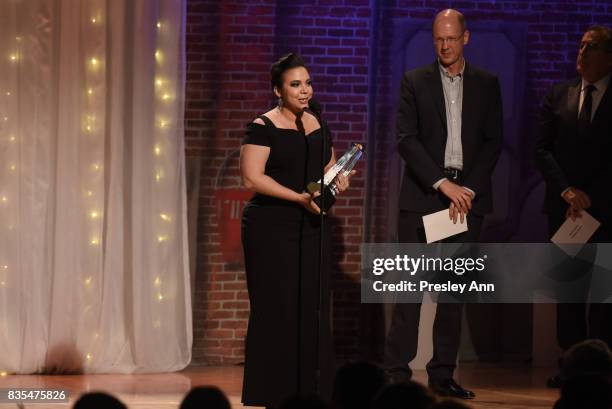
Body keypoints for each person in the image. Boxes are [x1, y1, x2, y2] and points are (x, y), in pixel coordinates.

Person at [384, 9, 503, 399]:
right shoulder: (414, 81)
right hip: (423, 198)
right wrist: (441, 184)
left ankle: (442, 374)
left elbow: (492, 142)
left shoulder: (487, 84)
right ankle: (397, 375)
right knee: (409, 293)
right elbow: (406, 139)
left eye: (451, 38)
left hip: (466, 201)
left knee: (453, 294)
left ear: (465, 38)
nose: (445, 45)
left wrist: (466, 189)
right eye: (438, 39)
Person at [240, 53, 352, 408]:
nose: (305, 91)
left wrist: (338, 179)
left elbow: (328, 165)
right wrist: (298, 198)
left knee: (310, 306)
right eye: (295, 84)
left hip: (310, 225)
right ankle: (272, 391)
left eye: (307, 83)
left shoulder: (317, 121)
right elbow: (252, 177)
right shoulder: (262, 126)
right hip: (271, 226)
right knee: (277, 306)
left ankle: (311, 390)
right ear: (277, 90)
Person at [535, 25, 612, 388]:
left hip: (605, 210)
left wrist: (591, 195)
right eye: (580, 45)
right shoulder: (558, 94)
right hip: (564, 211)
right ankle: (570, 367)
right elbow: (542, 149)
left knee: (603, 296)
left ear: (609, 56)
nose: (581, 52)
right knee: (568, 293)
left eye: (591, 46)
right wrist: (567, 191)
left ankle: (599, 371)